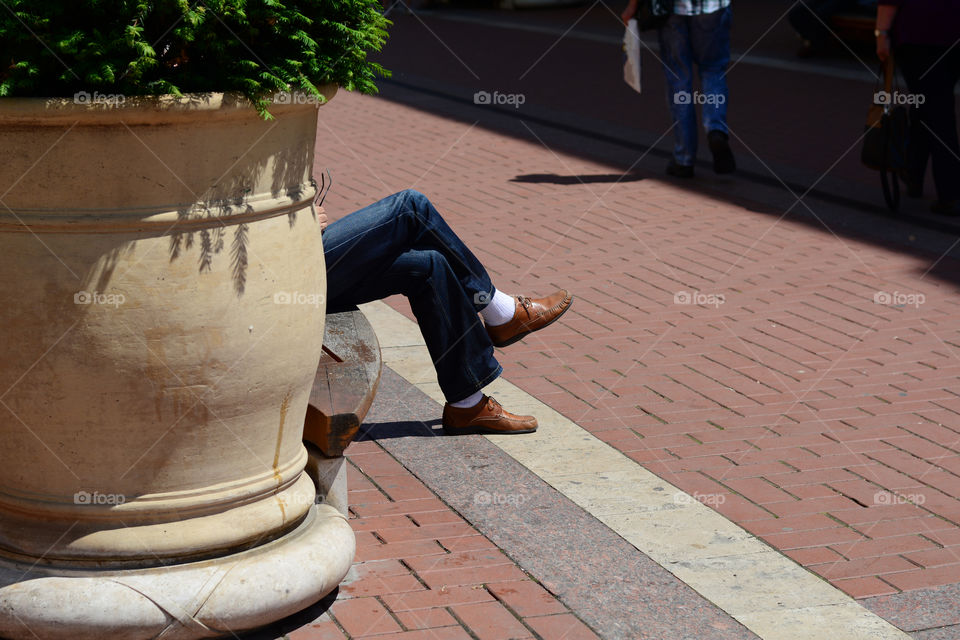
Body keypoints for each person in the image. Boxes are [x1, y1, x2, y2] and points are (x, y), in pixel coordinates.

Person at [318, 189, 573, 434]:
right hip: (291, 276)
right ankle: (499, 311)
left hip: (307, 261)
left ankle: (467, 405)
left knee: (431, 265)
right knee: (411, 206)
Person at [621, 0, 736, 178]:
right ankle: (716, 128)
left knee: (679, 78)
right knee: (713, 69)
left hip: (672, 9)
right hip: (713, 7)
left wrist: (633, 5)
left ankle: (684, 157)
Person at [876, 0, 960, 216]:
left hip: (920, 35)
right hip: (950, 33)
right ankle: (913, 173)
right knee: (928, 104)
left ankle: (950, 192)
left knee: (935, 109)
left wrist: (882, 33)